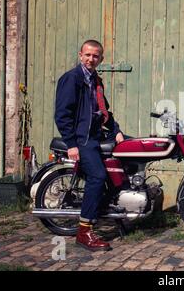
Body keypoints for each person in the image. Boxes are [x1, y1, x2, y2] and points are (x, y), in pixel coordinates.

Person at [55, 40, 124, 252]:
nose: (90, 59)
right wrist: (71, 144)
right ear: (80, 55)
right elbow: (62, 114)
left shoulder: (96, 80)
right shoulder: (72, 79)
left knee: (128, 153)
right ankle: (84, 232)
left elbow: (104, 112)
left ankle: (113, 206)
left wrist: (117, 130)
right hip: (82, 139)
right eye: (87, 55)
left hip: (95, 134)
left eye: (95, 56)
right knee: (97, 176)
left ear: (101, 59)